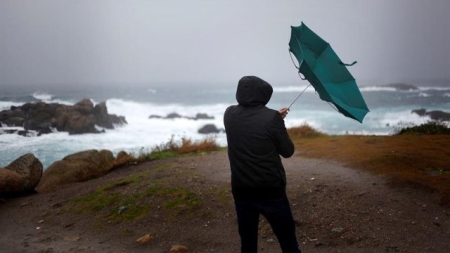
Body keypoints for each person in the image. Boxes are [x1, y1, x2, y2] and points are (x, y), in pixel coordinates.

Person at [223, 76, 302, 253]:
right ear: (264, 95)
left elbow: (252, 123)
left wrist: (275, 118)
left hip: (241, 189)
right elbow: (287, 151)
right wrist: (277, 121)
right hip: (270, 190)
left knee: (248, 243)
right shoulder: (271, 118)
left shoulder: (229, 114)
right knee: (288, 242)